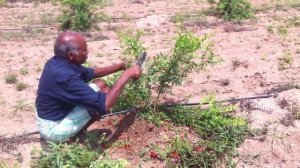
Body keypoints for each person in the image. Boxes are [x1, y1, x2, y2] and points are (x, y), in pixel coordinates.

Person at [35, 31, 141, 142]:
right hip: (53, 129)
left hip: (51, 116)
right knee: (103, 96)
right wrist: (127, 75)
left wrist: (120, 67)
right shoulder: (65, 77)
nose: (87, 52)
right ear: (71, 55)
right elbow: (105, 104)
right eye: (84, 50)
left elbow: (91, 73)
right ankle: (76, 135)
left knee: (101, 84)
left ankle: (79, 129)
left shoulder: (58, 62)